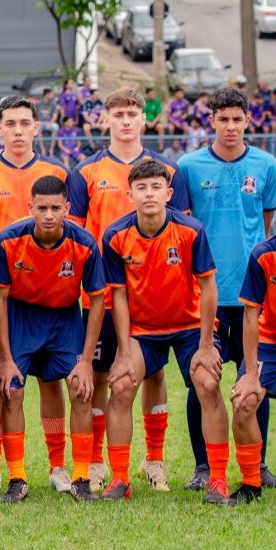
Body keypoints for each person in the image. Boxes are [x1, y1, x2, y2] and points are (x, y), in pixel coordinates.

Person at [68, 87, 191, 493]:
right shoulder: (85, 171)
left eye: (132, 113)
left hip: (154, 292)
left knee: (154, 373)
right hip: (103, 292)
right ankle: (99, 461)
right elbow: (79, 235)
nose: (125, 120)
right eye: (117, 113)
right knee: (104, 374)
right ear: (106, 119)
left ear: (144, 120)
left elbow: (184, 234)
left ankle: (153, 459)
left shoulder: (168, 171)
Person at [102, 159, 231, 504]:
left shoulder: (190, 230)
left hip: (189, 327)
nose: (149, 194)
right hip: (143, 330)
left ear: (168, 193)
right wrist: (125, 351)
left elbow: (209, 288)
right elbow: (118, 295)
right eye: (141, 188)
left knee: (208, 382)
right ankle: (119, 479)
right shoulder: (115, 236)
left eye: (156, 187)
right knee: (122, 384)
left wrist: (206, 345)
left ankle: (217, 479)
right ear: (130, 194)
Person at [0, 96, 71, 493]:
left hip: (50, 295)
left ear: (37, 127)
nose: (19, 130)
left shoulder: (57, 170)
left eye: (26, 123)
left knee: (50, 382)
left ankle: (58, 466)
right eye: (11, 123)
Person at [176, 86, 276, 490]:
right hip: (206, 294)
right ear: (211, 121)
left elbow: (268, 222)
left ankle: (261, 464)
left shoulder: (266, 164)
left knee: (254, 379)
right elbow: (184, 226)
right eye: (223, 119)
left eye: (237, 119)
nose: (231, 127)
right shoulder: (188, 166)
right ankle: (203, 467)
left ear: (248, 121)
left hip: (253, 295)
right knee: (201, 379)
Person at [0, 176, 106, 502]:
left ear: (68, 208)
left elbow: (97, 300)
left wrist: (84, 361)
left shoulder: (85, 244)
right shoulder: (8, 240)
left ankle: (81, 477)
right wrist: (6, 358)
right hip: (21, 316)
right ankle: (17, 478)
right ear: (30, 208)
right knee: (12, 390)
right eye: (42, 208)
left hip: (64, 319)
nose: (49, 215)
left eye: (56, 208)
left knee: (81, 390)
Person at [231, 198, 276, 502]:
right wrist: (252, 374)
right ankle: (252, 484)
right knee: (243, 401)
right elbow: (250, 316)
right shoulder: (263, 256)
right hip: (272, 343)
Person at [34, 88, 59, 156]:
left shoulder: (53, 104)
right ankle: (42, 149)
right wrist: (36, 121)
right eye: (51, 94)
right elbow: (33, 114)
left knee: (56, 127)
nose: (52, 96)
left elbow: (55, 115)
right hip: (40, 122)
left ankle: (51, 149)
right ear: (46, 95)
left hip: (49, 122)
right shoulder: (38, 104)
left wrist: (50, 123)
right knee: (38, 128)